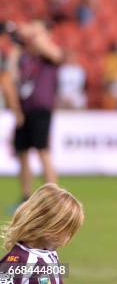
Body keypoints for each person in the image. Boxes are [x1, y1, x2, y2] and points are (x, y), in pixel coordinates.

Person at [10, 20, 63, 204]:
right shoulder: (25, 57)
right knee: (22, 153)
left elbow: (55, 54)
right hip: (23, 109)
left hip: (41, 109)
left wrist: (32, 33)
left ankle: (54, 198)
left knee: (43, 151)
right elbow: (11, 73)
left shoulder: (48, 55)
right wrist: (17, 45)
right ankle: (25, 197)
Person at [0, 183, 84, 284]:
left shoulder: (49, 254)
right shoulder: (15, 263)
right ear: (50, 227)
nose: (70, 236)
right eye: (68, 230)